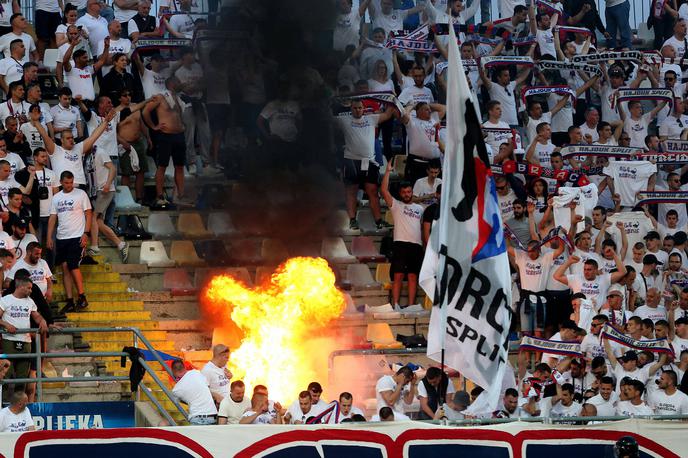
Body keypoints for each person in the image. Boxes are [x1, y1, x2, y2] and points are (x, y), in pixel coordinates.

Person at [334, 99, 395, 230]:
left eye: (360, 108)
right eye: (355, 108)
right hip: (351, 160)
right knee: (351, 191)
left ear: (364, 108)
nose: (358, 110)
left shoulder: (371, 118)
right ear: (351, 108)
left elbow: (389, 114)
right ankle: (352, 220)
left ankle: (378, 221)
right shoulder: (344, 120)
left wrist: (392, 99)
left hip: (369, 161)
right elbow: (326, 118)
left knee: (372, 191)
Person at [32, 106, 115, 190]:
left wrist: (106, 122)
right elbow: (45, 136)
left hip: (80, 186)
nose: (71, 140)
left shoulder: (78, 148)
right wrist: (36, 121)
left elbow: (94, 137)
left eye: (72, 137)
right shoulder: (55, 150)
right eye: (68, 138)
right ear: (61, 140)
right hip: (62, 186)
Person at [47, 171, 92, 314]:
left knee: (73, 264)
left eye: (71, 182)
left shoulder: (81, 194)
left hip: (77, 235)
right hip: (62, 237)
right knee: (65, 267)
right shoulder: (56, 197)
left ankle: (82, 295)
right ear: (61, 182)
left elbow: (89, 213)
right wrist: (49, 236)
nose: (69, 185)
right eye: (66, 183)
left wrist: (86, 233)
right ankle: (70, 300)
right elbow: (53, 218)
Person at [381, 160, 424, 309]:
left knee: (413, 276)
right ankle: (396, 305)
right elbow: (384, 191)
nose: (407, 194)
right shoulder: (396, 206)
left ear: (412, 192)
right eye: (404, 192)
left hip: (416, 246)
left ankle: (411, 306)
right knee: (398, 276)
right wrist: (387, 171)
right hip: (400, 244)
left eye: (409, 192)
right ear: (400, 194)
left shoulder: (420, 208)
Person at [142, 76, 188, 207]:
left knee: (180, 166)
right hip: (165, 136)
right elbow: (145, 111)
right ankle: (160, 195)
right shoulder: (161, 97)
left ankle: (181, 195)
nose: (180, 83)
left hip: (179, 135)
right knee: (162, 166)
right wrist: (153, 126)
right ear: (172, 83)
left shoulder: (178, 99)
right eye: (178, 82)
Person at [0, 274, 47, 396]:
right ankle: (3, 403)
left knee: (23, 376)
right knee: (6, 373)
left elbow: (36, 316)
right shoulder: (5, 300)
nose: (31, 291)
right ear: (20, 286)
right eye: (29, 288)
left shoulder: (30, 301)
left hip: (26, 342)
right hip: (9, 340)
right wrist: (6, 325)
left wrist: (42, 321)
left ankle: (19, 403)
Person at [86, 133, 129, 263]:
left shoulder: (100, 152)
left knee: (93, 216)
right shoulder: (87, 155)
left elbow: (113, 168)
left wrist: (108, 183)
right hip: (95, 190)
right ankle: (121, 244)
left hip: (105, 190)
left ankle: (94, 246)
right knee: (98, 221)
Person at [171, 359, 218, 425]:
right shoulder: (196, 372)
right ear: (184, 368)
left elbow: (180, 401)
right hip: (212, 415)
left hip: (197, 417)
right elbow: (207, 387)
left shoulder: (176, 390)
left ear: (172, 371)